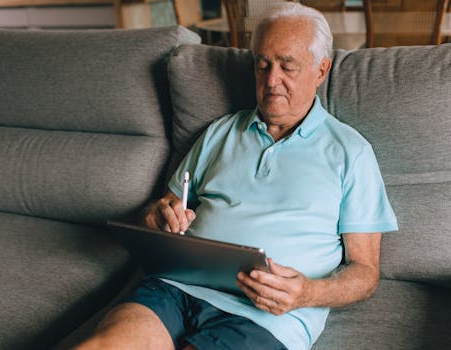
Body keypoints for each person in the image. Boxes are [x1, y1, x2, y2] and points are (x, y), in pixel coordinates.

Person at [75, 3, 397, 350]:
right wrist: (159, 216)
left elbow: (365, 272)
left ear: (321, 70)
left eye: (288, 66)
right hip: (175, 287)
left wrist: (308, 292)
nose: (272, 81)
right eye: (262, 66)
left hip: (265, 316)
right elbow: (167, 204)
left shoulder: (351, 152)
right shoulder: (221, 132)